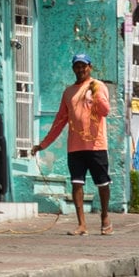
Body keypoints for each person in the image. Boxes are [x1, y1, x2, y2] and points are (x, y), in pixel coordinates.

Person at [32, 53, 114, 235]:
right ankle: (82, 224)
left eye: (83, 66)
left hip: (96, 146)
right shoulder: (68, 92)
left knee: (102, 184)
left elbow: (106, 111)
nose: (80, 69)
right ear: (73, 68)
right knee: (77, 184)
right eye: (77, 66)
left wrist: (96, 95)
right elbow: (60, 121)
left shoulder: (98, 86)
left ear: (90, 67)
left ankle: (105, 218)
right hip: (75, 147)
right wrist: (43, 144)